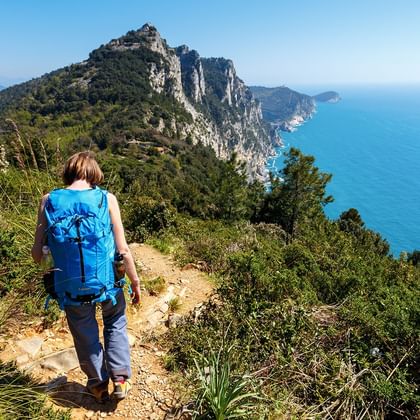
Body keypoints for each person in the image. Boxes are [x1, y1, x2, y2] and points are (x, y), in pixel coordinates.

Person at [31, 151, 141, 402]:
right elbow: (122, 250)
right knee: (115, 322)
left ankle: (98, 384)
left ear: (69, 172)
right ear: (94, 174)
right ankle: (121, 380)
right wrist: (135, 282)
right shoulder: (106, 199)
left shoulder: (48, 200)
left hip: (69, 288)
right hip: (108, 285)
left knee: (84, 333)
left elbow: (37, 254)